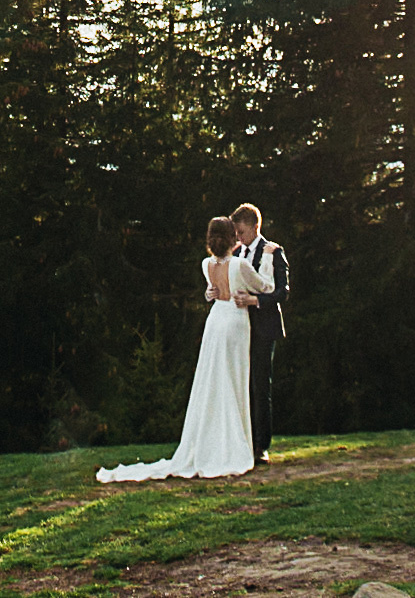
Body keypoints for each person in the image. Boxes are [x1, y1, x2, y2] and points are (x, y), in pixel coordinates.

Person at [95, 216, 272, 481]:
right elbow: (265, 286)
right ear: (233, 237)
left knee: (213, 381)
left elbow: (212, 291)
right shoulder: (240, 265)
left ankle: (212, 442)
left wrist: (210, 294)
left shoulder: (206, 264)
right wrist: (267, 258)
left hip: (215, 322)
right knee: (234, 382)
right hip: (235, 322)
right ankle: (235, 445)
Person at [228, 203, 288, 465]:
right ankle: (242, 442)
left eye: (241, 232)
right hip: (240, 327)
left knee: (260, 386)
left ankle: (261, 445)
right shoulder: (236, 254)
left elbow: (282, 292)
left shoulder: (273, 251)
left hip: (264, 328)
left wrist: (255, 301)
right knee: (241, 385)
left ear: (255, 227)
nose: (238, 238)